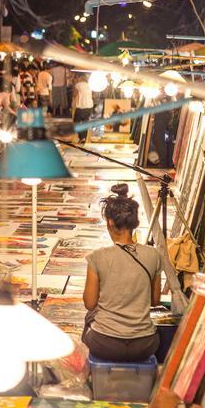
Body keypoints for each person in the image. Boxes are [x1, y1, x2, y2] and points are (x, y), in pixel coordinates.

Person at [82, 184, 163, 362]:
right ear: (134, 222)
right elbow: (155, 301)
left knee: (90, 317)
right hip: (144, 344)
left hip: (104, 342)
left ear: (110, 222)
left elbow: (89, 303)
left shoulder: (97, 257)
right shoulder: (154, 255)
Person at [72, 73, 95, 141]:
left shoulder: (78, 85)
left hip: (81, 106)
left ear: (80, 77)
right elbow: (94, 94)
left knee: (76, 122)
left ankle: (81, 137)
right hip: (89, 105)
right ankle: (84, 137)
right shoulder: (90, 85)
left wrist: (74, 85)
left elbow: (74, 94)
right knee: (85, 122)